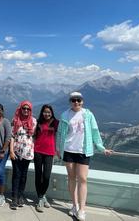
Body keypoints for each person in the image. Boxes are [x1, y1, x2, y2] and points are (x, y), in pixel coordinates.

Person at [56, 92, 113, 221]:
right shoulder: (65, 115)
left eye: (79, 100)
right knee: (71, 178)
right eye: (73, 100)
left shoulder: (88, 114)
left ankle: (82, 209)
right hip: (68, 150)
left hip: (83, 151)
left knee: (82, 179)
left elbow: (94, 131)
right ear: (70, 101)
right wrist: (58, 148)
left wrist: (101, 147)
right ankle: (74, 205)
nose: (76, 102)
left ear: (82, 101)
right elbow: (60, 133)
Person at [9, 100, 36, 210]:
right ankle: (14, 197)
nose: (25, 110)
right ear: (20, 109)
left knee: (24, 175)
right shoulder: (15, 120)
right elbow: (11, 136)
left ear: (30, 110)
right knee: (16, 175)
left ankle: (20, 196)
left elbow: (35, 136)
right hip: (16, 151)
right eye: (24, 108)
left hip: (28, 152)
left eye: (28, 109)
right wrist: (11, 151)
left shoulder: (34, 121)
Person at [34, 104, 59, 212]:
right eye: (45, 112)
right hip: (38, 151)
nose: (47, 114)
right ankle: (40, 198)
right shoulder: (38, 122)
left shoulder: (56, 123)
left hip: (49, 152)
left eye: (48, 112)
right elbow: (34, 135)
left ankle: (42, 195)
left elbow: (62, 134)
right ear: (42, 112)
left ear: (51, 112)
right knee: (38, 175)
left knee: (47, 176)